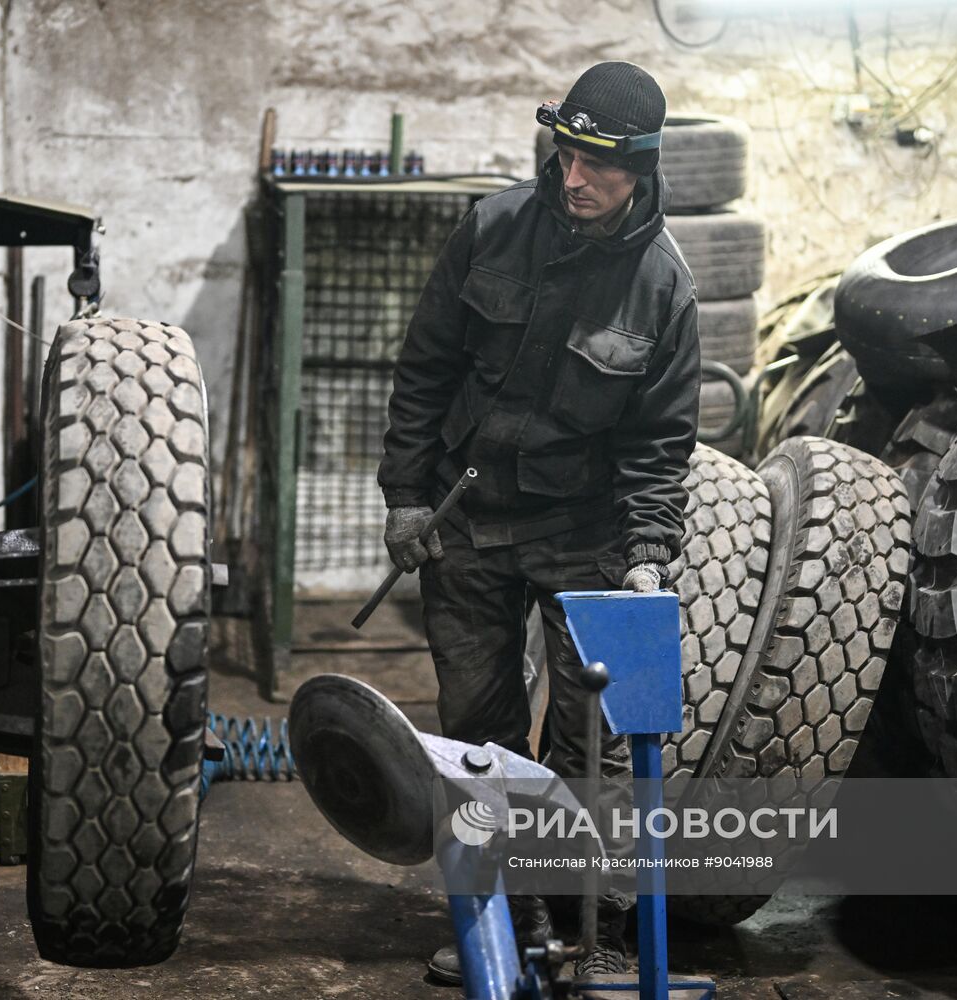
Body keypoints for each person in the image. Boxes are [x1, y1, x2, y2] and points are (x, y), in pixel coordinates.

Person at [377, 60, 700, 983]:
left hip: (583, 533)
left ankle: (582, 925)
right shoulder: (491, 228)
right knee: (479, 736)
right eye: (565, 155)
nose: (573, 179)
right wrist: (404, 494)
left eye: (598, 165)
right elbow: (425, 368)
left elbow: (658, 443)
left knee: (583, 747)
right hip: (467, 520)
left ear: (641, 166)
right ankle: (502, 927)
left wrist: (645, 556)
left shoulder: (664, 289)